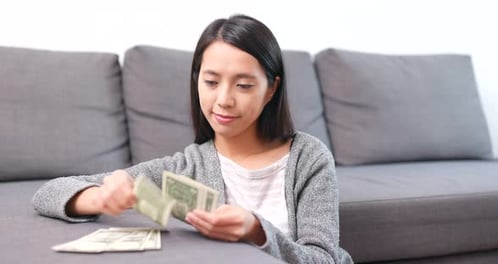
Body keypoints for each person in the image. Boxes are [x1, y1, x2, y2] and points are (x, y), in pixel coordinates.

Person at [32, 14, 353, 263]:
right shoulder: (185, 167)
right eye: (211, 82)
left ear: (271, 88)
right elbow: (48, 193)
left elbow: (324, 259)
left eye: (243, 85)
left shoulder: (308, 157)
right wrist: (98, 198)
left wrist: (256, 230)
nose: (224, 100)